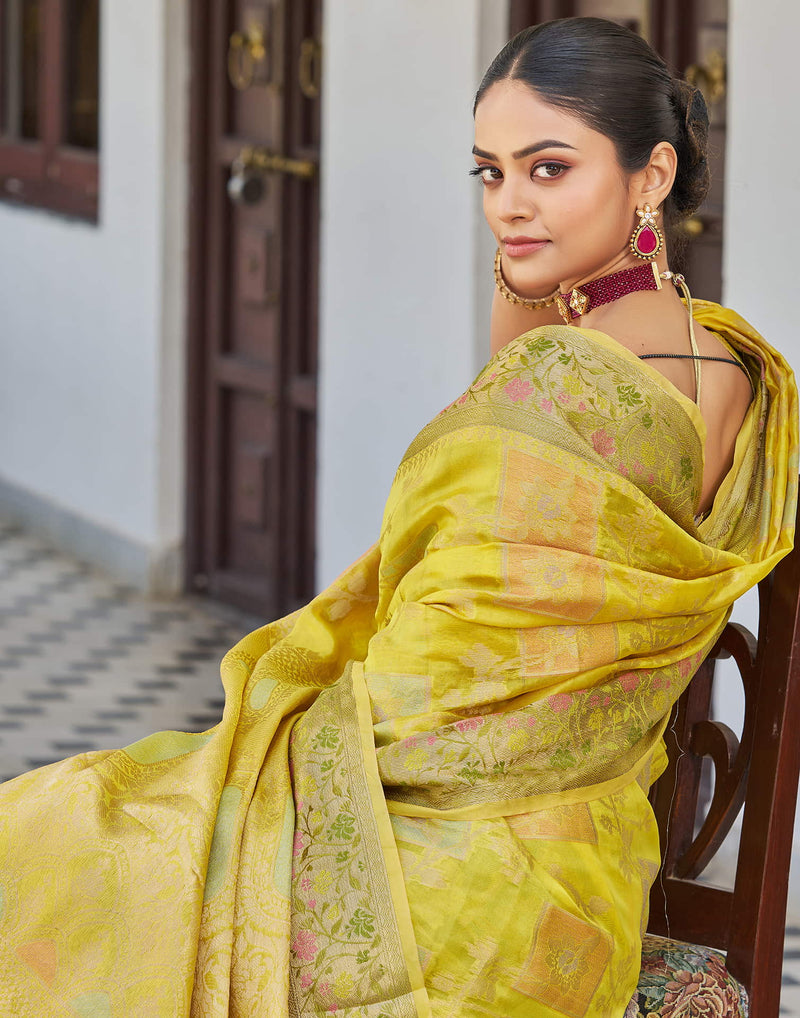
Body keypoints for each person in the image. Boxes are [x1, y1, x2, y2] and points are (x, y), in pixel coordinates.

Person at [0, 17, 796, 1018]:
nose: (507, 206)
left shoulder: (577, 378)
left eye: (548, 169)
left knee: (67, 850)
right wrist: (538, 270)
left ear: (651, 175)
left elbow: (456, 673)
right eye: (490, 173)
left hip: (473, 873)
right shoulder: (720, 363)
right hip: (554, 844)